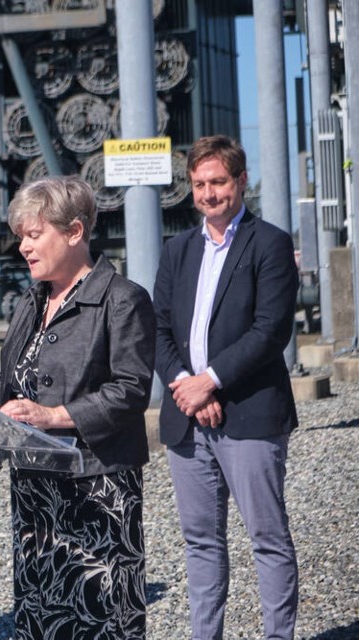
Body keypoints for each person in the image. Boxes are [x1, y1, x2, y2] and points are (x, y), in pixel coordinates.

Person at [0, 175, 156, 638]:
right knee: (41, 613)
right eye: (21, 236)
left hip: (95, 487)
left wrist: (56, 417)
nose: (23, 247)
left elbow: (131, 390)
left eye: (34, 235)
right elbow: (8, 380)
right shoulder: (31, 301)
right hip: (35, 484)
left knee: (100, 616)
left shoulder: (123, 300)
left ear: (74, 232)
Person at [153, 134, 299, 639]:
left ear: (240, 182)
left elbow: (270, 330)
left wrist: (209, 382)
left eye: (218, 182)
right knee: (200, 542)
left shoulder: (271, 243)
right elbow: (158, 329)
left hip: (251, 413)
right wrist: (185, 387)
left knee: (267, 537)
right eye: (199, 184)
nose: (209, 194)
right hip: (187, 417)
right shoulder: (178, 250)